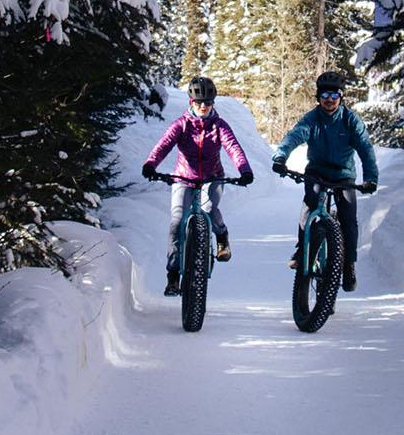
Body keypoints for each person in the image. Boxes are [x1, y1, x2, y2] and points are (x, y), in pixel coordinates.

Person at [142, 75, 253, 296]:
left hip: (212, 178)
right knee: (176, 222)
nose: (203, 106)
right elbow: (164, 145)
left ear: (213, 103)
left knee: (210, 208)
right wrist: (150, 164)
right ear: (191, 102)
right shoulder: (181, 125)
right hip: (183, 178)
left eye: (208, 103)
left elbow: (233, 148)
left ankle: (221, 236)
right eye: (198, 102)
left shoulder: (219, 126)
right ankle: (173, 276)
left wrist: (244, 170)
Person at [271, 71, 378, 293]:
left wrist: (370, 178)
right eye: (324, 95)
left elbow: (366, 149)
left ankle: (348, 264)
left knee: (348, 217)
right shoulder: (312, 118)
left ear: (341, 97)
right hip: (317, 172)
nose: (329, 99)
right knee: (310, 205)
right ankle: (302, 251)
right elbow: (294, 136)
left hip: (343, 175)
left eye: (334, 94)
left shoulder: (350, 121)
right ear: (318, 97)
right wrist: (281, 156)